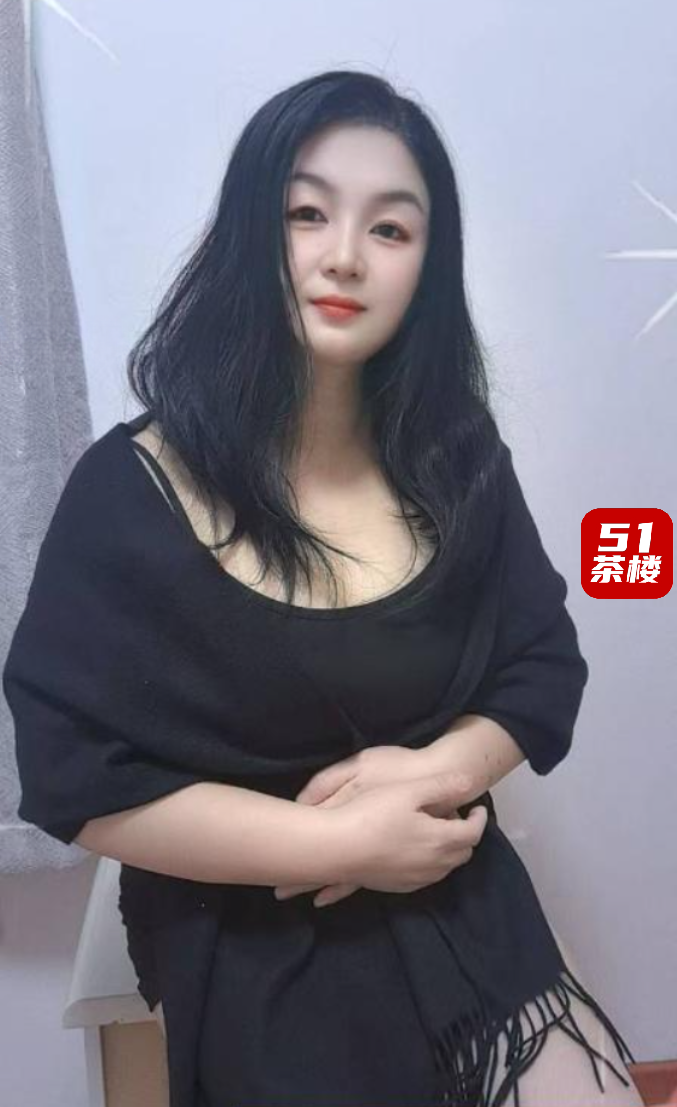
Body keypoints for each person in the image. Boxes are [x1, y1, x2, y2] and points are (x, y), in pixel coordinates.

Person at [3, 70, 645, 1107]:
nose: (344, 255)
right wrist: (336, 841)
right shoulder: (129, 490)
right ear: (249, 231)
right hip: (248, 920)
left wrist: (430, 774)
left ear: (428, 264)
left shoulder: (456, 456)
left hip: (450, 881)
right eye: (306, 214)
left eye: (389, 229)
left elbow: (539, 665)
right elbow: (72, 773)